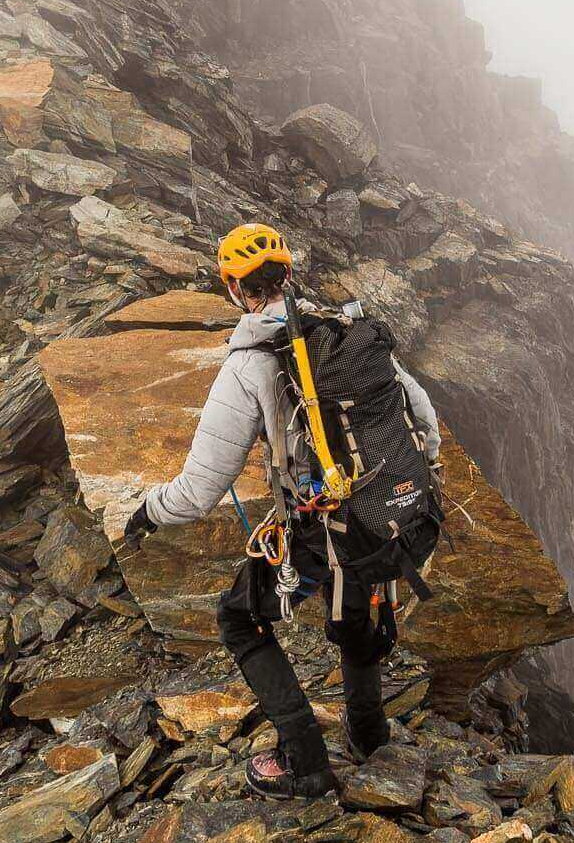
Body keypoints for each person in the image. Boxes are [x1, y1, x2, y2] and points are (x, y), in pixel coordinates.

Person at [124, 222, 441, 798]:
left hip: (328, 530)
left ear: (234, 289)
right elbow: (421, 415)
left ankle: (305, 760)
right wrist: (405, 487)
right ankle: (369, 735)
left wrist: (147, 513)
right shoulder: (347, 334)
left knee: (240, 618)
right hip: (398, 521)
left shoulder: (249, 365)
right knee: (355, 610)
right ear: (289, 274)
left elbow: (200, 490)